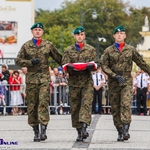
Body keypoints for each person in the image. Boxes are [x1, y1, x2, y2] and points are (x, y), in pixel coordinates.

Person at [101, 25, 150, 142]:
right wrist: (114, 75)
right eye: (117, 33)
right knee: (116, 107)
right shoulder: (108, 50)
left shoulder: (131, 49)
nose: (119, 35)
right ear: (114, 36)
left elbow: (141, 63)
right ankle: (120, 131)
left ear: (125, 36)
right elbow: (104, 66)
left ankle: (126, 129)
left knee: (126, 104)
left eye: (122, 33)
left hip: (126, 81)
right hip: (114, 82)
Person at [16, 22, 62, 142]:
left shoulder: (48, 45)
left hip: (44, 79)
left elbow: (59, 58)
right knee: (32, 106)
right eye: (35, 30)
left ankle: (43, 130)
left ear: (43, 32)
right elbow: (18, 60)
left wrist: (68, 68)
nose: (37, 31)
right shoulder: (26, 46)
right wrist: (30, 62)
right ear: (32, 32)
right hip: (31, 80)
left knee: (43, 103)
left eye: (40, 30)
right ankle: (35, 131)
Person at [62, 26, 99, 142]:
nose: (80, 36)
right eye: (78, 35)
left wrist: (91, 66)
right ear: (74, 36)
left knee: (86, 104)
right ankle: (79, 131)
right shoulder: (68, 50)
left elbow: (97, 63)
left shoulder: (91, 49)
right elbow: (64, 64)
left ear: (84, 36)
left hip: (87, 81)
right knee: (75, 107)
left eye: (82, 34)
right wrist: (71, 67)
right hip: (73, 83)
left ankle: (84, 128)